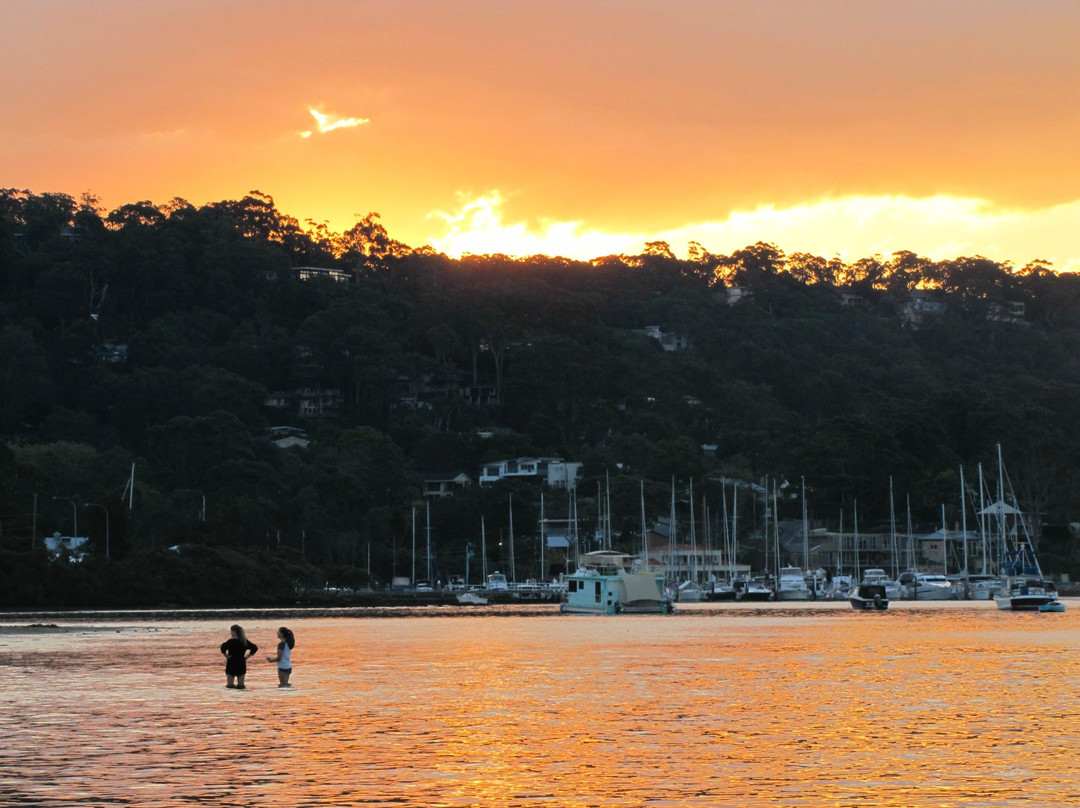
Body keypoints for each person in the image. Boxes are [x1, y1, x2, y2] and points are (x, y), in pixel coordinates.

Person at [220, 624, 257, 689]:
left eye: (231, 631)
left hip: (231, 662)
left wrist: (226, 656)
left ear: (234, 632)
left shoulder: (230, 641)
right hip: (241, 662)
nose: (230, 633)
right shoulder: (244, 641)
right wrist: (246, 657)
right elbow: (254, 648)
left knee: (230, 685)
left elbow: (223, 647)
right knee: (241, 686)